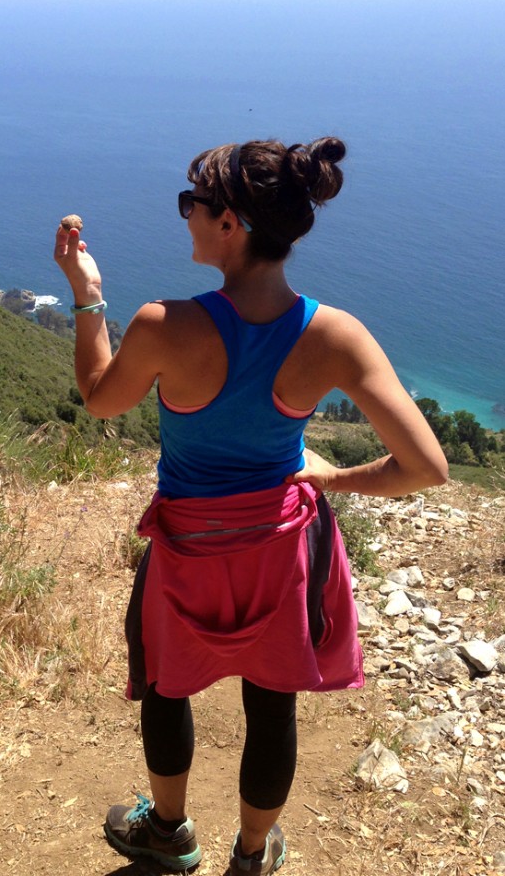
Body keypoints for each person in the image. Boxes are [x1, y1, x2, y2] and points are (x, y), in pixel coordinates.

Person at [53, 136, 447, 876]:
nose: (187, 216)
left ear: (230, 222)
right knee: (273, 706)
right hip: (280, 549)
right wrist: (330, 481)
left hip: (186, 550)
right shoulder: (333, 334)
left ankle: (168, 835)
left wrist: (87, 292)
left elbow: (101, 399)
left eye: (191, 204)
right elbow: (426, 466)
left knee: (166, 687)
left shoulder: (163, 324)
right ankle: (252, 854)